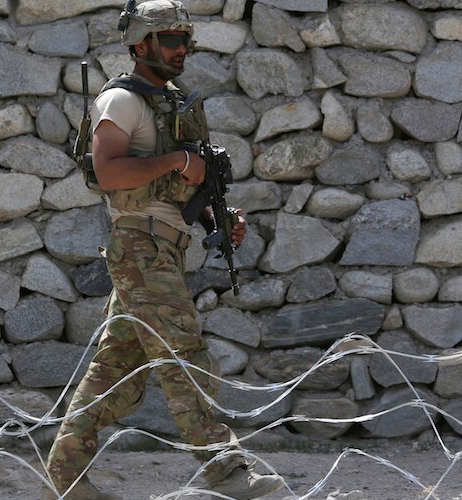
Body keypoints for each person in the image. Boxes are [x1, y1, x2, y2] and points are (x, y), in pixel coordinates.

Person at [43, 1, 284, 499]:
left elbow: (188, 185)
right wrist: (178, 160)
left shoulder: (174, 101)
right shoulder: (122, 102)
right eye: (170, 39)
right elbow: (109, 173)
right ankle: (227, 472)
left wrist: (221, 216)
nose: (182, 49)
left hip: (164, 247)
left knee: (115, 372)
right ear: (140, 44)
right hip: (139, 246)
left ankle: (63, 482)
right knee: (184, 356)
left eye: (185, 39)